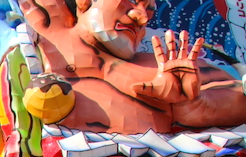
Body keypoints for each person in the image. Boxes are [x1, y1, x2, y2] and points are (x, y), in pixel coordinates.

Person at [18, 0, 246, 133]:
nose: (141, 17)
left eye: (149, 10)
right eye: (130, 1)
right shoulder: (44, 31)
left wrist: (193, 104)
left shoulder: (166, 67)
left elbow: (237, 92)